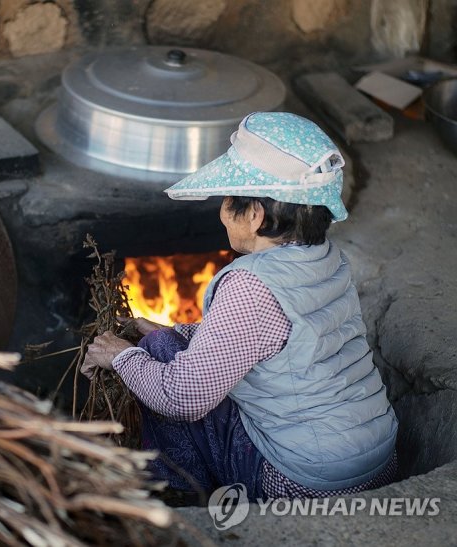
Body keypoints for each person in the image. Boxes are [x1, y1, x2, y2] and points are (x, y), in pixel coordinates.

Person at [81, 112, 398, 500]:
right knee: (169, 343)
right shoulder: (327, 258)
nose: (222, 211)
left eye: (229, 199)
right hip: (376, 461)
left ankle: (182, 498)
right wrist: (179, 331)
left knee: (159, 356)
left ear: (255, 214)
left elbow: (184, 399)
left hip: (302, 483)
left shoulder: (251, 284)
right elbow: (279, 338)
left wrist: (122, 357)